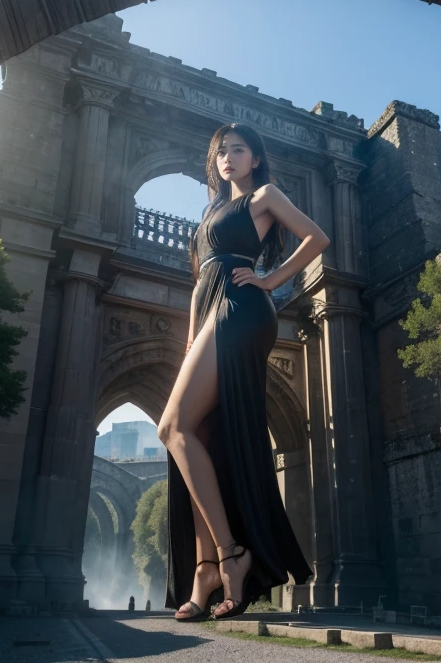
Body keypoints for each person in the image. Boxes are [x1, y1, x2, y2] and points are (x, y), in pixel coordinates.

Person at [158, 123, 330, 622]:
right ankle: (205, 567)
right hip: (210, 309)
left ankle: (231, 555)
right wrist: (190, 336)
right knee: (198, 439)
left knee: (171, 426)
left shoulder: (264, 196)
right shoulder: (212, 210)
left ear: (254, 159)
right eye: (221, 152)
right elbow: (198, 280)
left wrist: (271, 280)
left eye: (238, 150)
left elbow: (317, 237)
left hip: (242, 307)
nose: (227, 158)